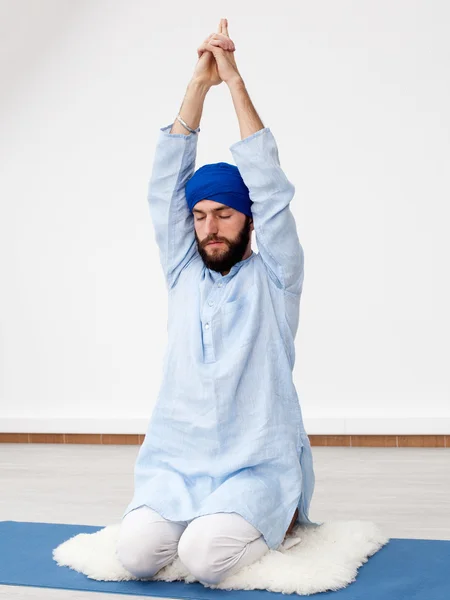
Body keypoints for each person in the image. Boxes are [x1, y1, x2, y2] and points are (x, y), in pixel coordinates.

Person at [116, 18, 318, 586]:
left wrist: (231, 82)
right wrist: (195, 87)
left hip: (255, 465)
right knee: (134, 556)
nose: (210, 227)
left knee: (205, 558)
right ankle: (209, 522)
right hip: (176, 466)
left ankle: (275, 519)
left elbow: (272, 188)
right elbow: (163, 189)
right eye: (200, 215)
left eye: (224, 214)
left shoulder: (277, 278)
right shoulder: (183, 273)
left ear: (248, 220)